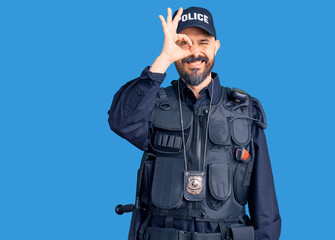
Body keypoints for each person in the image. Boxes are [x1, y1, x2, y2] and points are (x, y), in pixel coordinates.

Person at [108, 6, 281, 240]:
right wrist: (163, 59)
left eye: (203, 42)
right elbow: (122, 122)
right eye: (184, 43)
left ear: (216, 46)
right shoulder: (154, 104)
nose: (194, 52)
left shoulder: (244, 110)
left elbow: (265, 205)